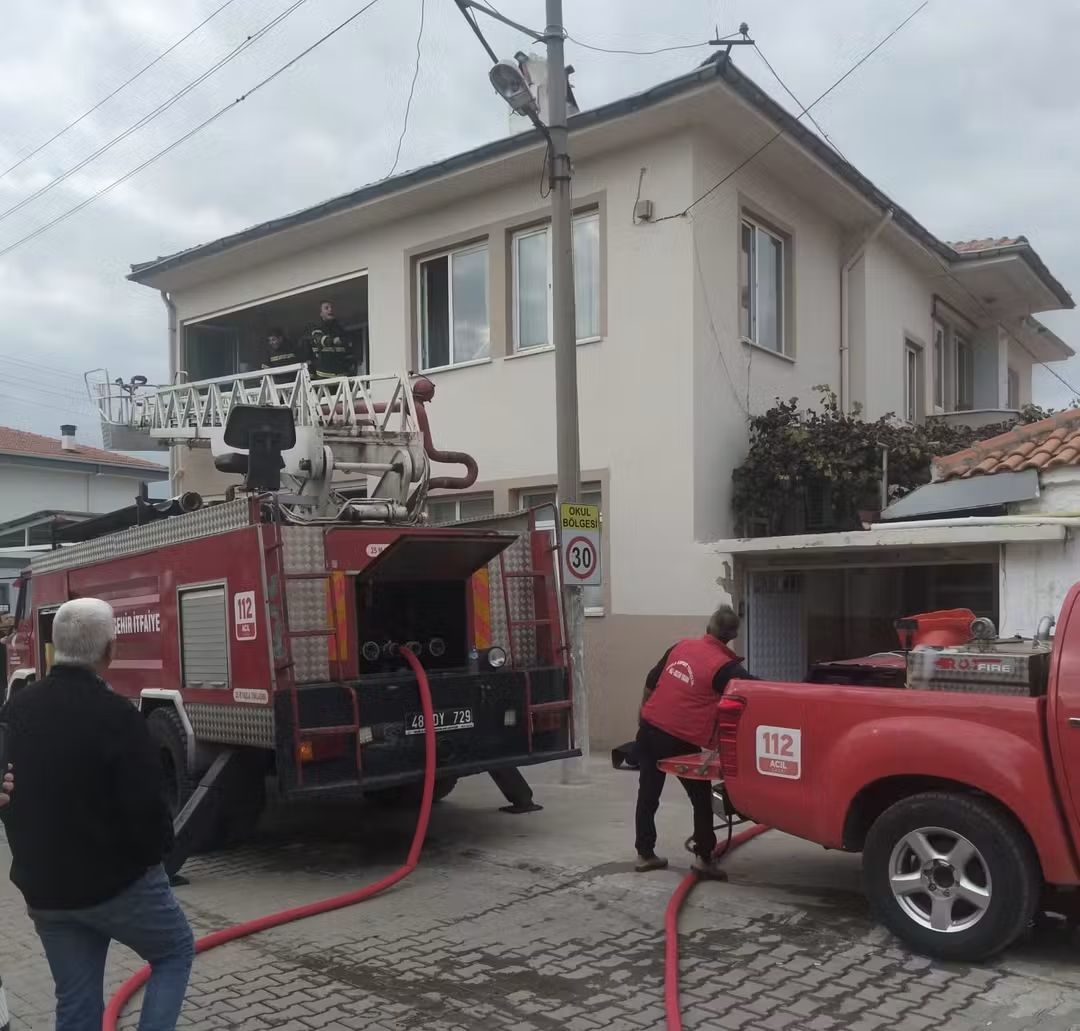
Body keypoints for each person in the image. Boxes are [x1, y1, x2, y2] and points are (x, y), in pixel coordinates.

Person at [0, 598, 193, 1031]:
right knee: (174, 951)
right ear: (110, 650)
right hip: (119, 887)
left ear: (54, 646)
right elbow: (148, 808)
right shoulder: (119, 717)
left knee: (76, 998)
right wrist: (156, 858)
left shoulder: (16, 710)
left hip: (46, 891)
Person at [634, 605, 756, 878]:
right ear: (732, 635)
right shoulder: (725, 668)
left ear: (709, 628)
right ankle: (704, 859)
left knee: (648, 794)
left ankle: (644, 854)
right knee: (701, 798)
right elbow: (755, 689)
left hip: (650, 729)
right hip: (679, 738)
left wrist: (644, 718)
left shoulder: (680, 647)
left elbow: (650, 681)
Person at [308, 300, 354, 379]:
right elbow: (320, 339)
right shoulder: (316, 328)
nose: (330, 310)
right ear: (321, 313)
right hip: (324, 375)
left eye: (331, 308)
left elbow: (348, 345)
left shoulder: (340, 329)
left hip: (342, 375)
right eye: (326, 308)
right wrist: (333, 340)